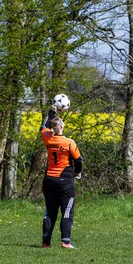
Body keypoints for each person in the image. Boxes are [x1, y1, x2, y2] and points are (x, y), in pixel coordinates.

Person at [40, 104, 83, 249]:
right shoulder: (69, 142)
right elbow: (78, 161)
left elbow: (43, 126)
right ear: (62, 127)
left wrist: (52, 111)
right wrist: (76, 173)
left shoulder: (48, 139)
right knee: (66, 211)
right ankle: (65, 241)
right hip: (65, 181)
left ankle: (46, 242)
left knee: (50, 212)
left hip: (49, 180)